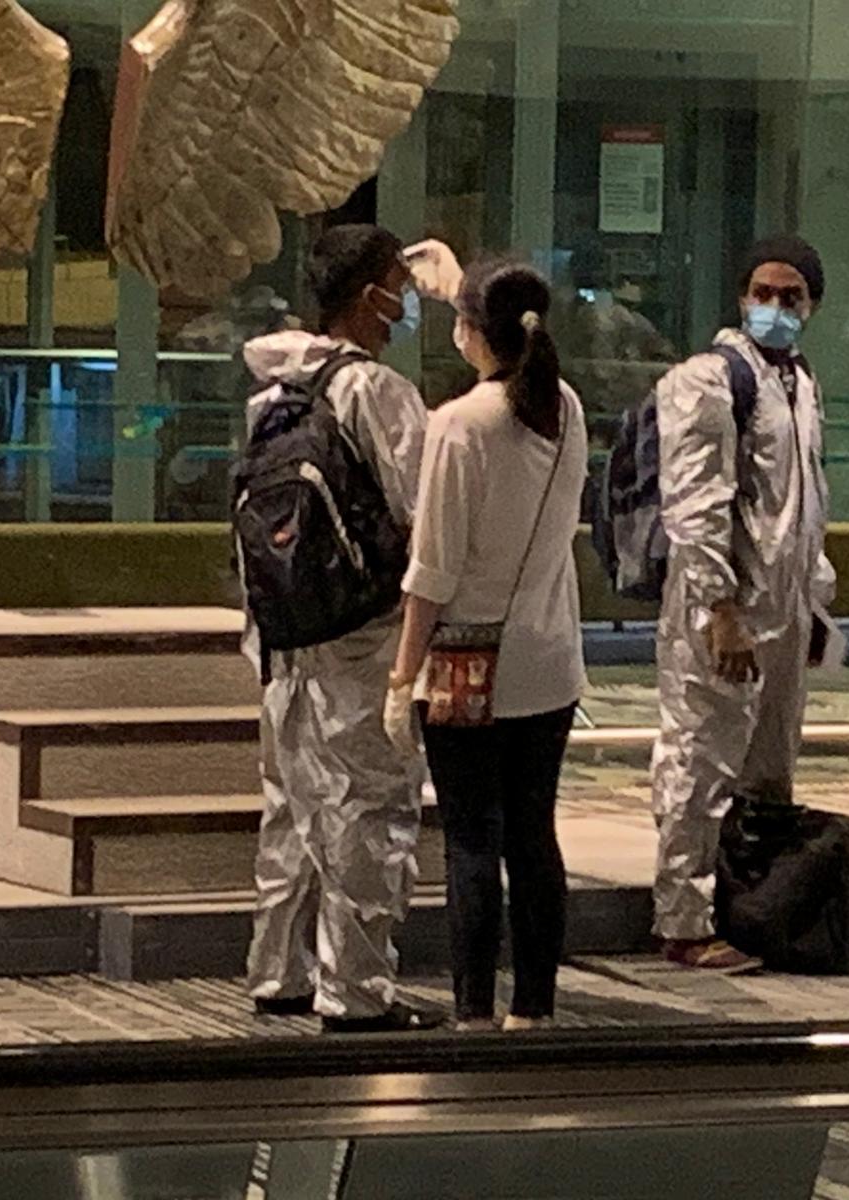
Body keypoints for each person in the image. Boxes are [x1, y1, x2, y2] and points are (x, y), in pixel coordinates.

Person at [242, 224, 438, 1033]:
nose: (408, 302)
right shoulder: (377, 391)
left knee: (290, 802)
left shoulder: (272, 393)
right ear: (370, 296)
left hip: (283, 628)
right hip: (361, 630)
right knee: (367, 805)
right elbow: (425, 511)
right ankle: (356, 992)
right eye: (401, 286)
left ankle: (277, 971)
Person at [384, 259, 588, 1031]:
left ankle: (472, 1011)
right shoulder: (564, 407)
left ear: (470, 332)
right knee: (534, 837)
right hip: (550, 663)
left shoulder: (459, 424)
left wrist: (402, 677)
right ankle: (535, 1008)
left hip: (468, 670)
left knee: (472, 841)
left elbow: (432, 570)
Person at [649, 236, 836, 972]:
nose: (776, 308)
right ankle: (682, 921)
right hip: (723, 609)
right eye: (764, 293)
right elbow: (696, 504)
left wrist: (815, 603)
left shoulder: (799, 383)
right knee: (698, 762)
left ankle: (749, 908)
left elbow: (805, 503)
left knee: (766, 771)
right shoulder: (709, 380)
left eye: (792, 297)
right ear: (741, 297)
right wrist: (718, 608)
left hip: (783, 607)